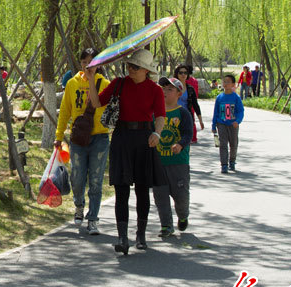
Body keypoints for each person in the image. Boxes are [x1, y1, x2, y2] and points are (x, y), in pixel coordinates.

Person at [85, 48, 166, 254]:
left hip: (144, 139)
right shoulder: (119, 83)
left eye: (135, 67)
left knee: (141, 189)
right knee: (121, 189)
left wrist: (157, 134)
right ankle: (122, 237)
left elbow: (160, 116)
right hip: (121, 138)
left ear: (146, 70)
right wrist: (91, 79)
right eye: (129, 65)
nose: (130, 69)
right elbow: (96, 102)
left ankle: (140, 234)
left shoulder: (155, 89)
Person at [55, 48, 109, 235]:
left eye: (92, 62)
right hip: (78, 139)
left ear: (99, 64)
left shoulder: (105, 84)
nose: (88, 65)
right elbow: (65, 111)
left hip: (99, 137)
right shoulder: (72, 83)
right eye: (85, 61)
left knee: (96, 180)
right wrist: (58, 136)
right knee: (77, 178)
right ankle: (79, 206)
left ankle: (93, 218)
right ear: (81, 63)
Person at [153, 77, 192, 237]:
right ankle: (166, 225)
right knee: (160, 196)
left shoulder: (183, 112)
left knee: (181, 196)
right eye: (163, 88)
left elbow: (188, 133)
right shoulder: (155, 113)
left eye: (170, 89)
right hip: (158, 163)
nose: (165, 92)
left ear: (179, 94)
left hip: (178, 163)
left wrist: (181, 144)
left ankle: (183, 216)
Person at [212, 75, 244, 173]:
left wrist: (237, 121)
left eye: (228, 82)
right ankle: (224, 164)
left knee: (233, 144)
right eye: (224, 82)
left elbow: (240, 111)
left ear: (233, 84)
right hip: (221, 123)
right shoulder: (219, 97)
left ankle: (232, 161)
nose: (225, 84)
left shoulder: (236, 98)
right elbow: (216, 112)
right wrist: (214, 125)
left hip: (233, 124)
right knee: (223, 144)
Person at [174, 65, 204, 144]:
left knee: (185, 141)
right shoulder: (171, 87)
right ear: (177, 74)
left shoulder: (190, 89)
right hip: (174, 115)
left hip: (186, 117)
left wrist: (200, 120)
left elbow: (195, 105)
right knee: (174, 139)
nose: (183, 74)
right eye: (181, 73)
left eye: (185, 73)